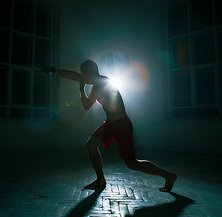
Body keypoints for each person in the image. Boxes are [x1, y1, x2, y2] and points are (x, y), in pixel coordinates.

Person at [41, 60, 177, 192]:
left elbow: (75, 76)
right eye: (82, 73)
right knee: (90, 145)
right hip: (110, 124)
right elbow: (87, 105)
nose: (83, 75)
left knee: (132, 163)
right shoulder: (95, 88)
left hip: (122, 124)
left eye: (84, 72)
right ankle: (100, 180)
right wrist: (82, 89)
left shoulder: (104, 80)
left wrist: (54, 70)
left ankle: (168, 176)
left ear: (92, 70)